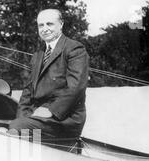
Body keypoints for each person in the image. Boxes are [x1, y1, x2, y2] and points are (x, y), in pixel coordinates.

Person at [9, 8, 89, 146]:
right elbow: (27, 92)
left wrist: (51, 111)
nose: (45, 29)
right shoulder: (38, 55)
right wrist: (22, 118)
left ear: (61, 24)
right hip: (39, 117)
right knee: (12, 125)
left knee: (16, 129)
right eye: (41, 25)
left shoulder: (75, 49)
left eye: (49, 24)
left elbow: (75, 88)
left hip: (64, 120)